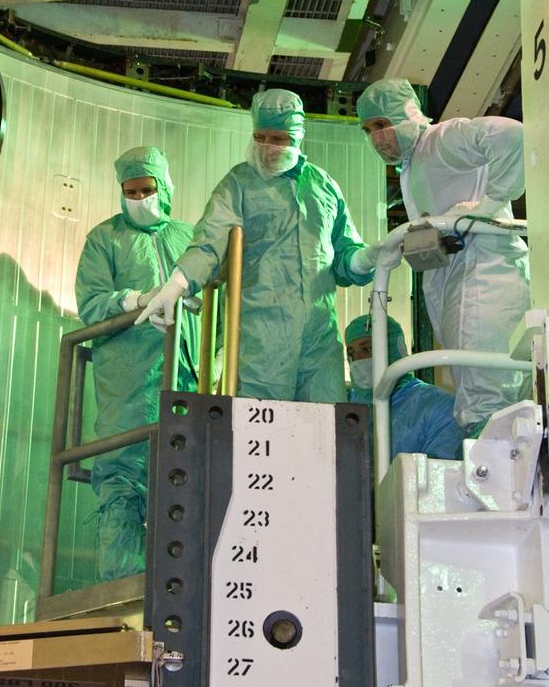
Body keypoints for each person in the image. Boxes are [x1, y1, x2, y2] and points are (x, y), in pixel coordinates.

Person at [137, 89, 377, 401]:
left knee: (324, 422)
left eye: (278, 139)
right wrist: (177, 283)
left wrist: (365, 258)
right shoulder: (238, 184)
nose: (268, 147)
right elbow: (209, 241)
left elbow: (343, 255)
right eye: (260, 137)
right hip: (260, 340)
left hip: (319, 341)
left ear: (298, 137)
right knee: (260, 425)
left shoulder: (324, 186)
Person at [356, 78, 531, 433]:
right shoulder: (415, 164)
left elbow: (512, 136)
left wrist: (487, 207)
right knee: (487, 398)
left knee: (489, 401)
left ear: (406, 113)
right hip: (463, 276)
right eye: (368, 130)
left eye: (381, 124)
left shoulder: (440, 140)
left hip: (485, 274)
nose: (376, 138)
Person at [75, 146, 198, 581]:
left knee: (185, 476)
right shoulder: (105, 239)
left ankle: (178, 583)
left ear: (164, 187)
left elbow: (217, 299)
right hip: (128, 378)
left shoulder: (189, 237)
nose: (140, 198)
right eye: (131, 192)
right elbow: (91, 304)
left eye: (148, 189)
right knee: (123, 478)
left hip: (187, 376)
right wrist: (137, 299)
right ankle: (122, 590)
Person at [346, 313, 465, 461]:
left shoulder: (439, 406)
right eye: (351, 354)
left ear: (394, 349)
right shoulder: (347, 405)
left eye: (367, 349)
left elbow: (441, 470)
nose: (358, 360)